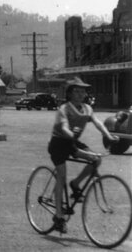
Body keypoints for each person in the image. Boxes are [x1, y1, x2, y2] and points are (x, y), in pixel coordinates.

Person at [46, 78, 118, 234]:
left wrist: (108, 135)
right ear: (70, 94)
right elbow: (64, 126)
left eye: (83, 91)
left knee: (96, 159)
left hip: (72, 143)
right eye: (77, 91)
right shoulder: (64, 109)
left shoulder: (87, 108)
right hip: (59, 144)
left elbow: (98, 123)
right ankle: (58, 216)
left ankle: (76, 183)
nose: (80, 94)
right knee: (61, 177)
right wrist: (70, 134)